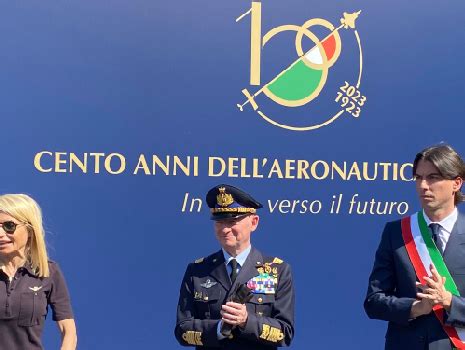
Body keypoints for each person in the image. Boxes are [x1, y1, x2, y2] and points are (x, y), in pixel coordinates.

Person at [364, 144, 465, 349]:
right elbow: (373, 302)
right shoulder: (396, 232)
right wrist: (415, 308)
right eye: (418, 178)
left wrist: (448, 301)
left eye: (433, 177)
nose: (423, 186)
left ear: (457, 183)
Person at [175, 184, 294, 349]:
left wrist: (246, 321)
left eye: (232, 221)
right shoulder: (197, 271)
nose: (225, 229)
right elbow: (182, 330)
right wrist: (217, 329)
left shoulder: (278, 271)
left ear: (253, 222)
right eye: (219, 222)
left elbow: (285, 333)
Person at [0, 194, 77, 350]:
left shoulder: (48, 272)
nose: (0, 234)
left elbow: (68, 330)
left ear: (30, 229)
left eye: (9, 226)